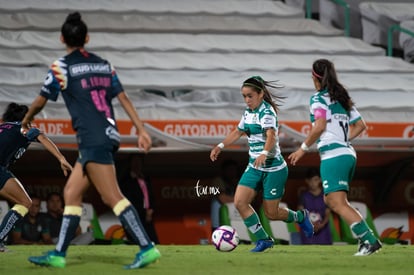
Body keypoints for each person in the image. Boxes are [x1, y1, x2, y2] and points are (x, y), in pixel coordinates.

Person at [22, 12, 160, 269]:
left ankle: (147, 247)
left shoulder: (61, 67)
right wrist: (141, 130)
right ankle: (59, 255)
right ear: (87, 38)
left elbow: (41, 100)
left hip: (92, 138)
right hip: (107, 134)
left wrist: (27, 118)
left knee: (112, 197)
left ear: (62, 38)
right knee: (71, 193)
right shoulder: (105, 65)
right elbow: (124, 99)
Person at [288, 59, 382, 255]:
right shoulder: (341, 98)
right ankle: (368, 239)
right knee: (332, 201)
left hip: (333, 156)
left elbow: (319, 126)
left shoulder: (318, 99)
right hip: (347, 154)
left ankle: (370, 241)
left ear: (314, 77)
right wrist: (341, 139)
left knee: (337, 203)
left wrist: (302, 148)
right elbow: (360, 125)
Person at [210, 76, 314, 252]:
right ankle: (264, 239)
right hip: (254, 166)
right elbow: (237, 131)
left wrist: (264, 153)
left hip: (274, 169)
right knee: (240, 202)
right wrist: (220, 145)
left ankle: (300, 217)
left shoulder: (267, 112)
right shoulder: (248, 112)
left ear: (261, 94)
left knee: (271, 213)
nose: (247, 100)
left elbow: (271, 136)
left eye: (250, 96)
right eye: (244, 96)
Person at [0, 102, 72, 252]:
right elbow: (42, 138)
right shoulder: (22, 127)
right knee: (25, 202)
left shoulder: (3, 127)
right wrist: (61, 158)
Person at [118, 154, 159, 244]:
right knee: (137, 241)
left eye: (139, 162)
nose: (137, 164)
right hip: (136, 215)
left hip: (148, 216)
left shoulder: (145, 178)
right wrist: (144, 212)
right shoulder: (126, 181)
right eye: (135, 161)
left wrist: (151, 209)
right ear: (131, 163)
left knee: (154, 241)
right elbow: (129, 200)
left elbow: (150, 196)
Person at [297, 168, 332, 245]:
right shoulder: (304, 196)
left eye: (315, 180)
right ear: (307, 181)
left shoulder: (325, 195)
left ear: (320, 180)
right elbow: (301, 213)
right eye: (310, 181)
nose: (313, 183)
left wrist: (321, 225)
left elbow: (328, 213)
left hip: (323, 232)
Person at [210, 159, 240, 232]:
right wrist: (243, 200)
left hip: (234, 220)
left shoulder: (236, 183)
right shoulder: (217, 181)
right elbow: (223, 198)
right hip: (218, 223)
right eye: (230, 170)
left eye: (234, 170)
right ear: (223, 171)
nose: (232, 172)